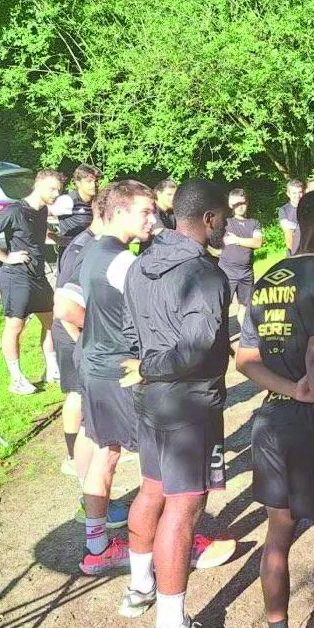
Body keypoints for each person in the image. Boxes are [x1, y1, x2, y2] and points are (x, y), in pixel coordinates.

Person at [236, 190, 314, 628]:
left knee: (279, 530)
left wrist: (291, 389)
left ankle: (277, 624)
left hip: (270, 420)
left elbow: (245, 360)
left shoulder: (268, 279)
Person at [120, 179, 233, 627]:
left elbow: (130, 333)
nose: (226, 225)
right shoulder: (206, 274)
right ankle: (171, 619)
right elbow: (195, 350)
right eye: (223, 217)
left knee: (152, 490)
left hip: (152, 402)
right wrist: (151, 367)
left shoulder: (139, 264)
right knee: (183, 507)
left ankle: (139, 587)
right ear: (208, 218)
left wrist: (145, 368)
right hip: (189, 408)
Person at [77, 180, 156, 575]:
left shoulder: (91, 251)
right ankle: (164, 540)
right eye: (145, 211)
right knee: (155, 459)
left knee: (104, 452)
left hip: (94, 365)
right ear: (121, 211)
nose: (152, 219)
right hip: (121, 371)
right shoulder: (124, 261)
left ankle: (96, 546)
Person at [52, 191, 103, 478]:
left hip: (79, 327)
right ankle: (72, 457)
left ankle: (92, 452)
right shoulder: (82, 246)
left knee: (86, 394)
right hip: (70, 328)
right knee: (77, 393)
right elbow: (63, 303)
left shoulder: (94, 243)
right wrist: (85, 340)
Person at [0, 169, 63, 394]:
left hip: (38, 275)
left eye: (59, 190)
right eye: (52, 189)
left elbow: (34, 235)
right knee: (15, 326)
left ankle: (52, 370)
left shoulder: (43, 210)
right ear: (38, 185)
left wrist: (55, 238)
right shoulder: (15, 210)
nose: (56, 194)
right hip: (16, 276)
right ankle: (16, 379)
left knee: (52, 322)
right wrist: (7, 257)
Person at [218, 188, 263, 329]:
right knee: (223, 307)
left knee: (245, 305)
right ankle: (222, 337)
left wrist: (236, 240)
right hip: (227, 271)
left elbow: (257, 242)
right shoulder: (225, 222)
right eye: (236, 204)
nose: (240, 207)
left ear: (247, 202)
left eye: (242, 203)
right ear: (230, 205)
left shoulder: (254, 223)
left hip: (247, 272)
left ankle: (245, 335)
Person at [51, 164, 102, 245]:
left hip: (91, 247)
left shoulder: (98, 201)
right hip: (72, 249)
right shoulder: (68, 200)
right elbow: (40, 213)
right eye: (89, 181)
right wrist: (52, 236)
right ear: (78, 183)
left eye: (96, 181)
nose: (93, 185)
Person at [278, 179, 304, 257]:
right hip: (293, 253)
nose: (297, 196)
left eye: (300, 192)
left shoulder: (308, 208)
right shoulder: (283, 210)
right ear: (288, 194)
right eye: (294, 193)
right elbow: (288, 232)